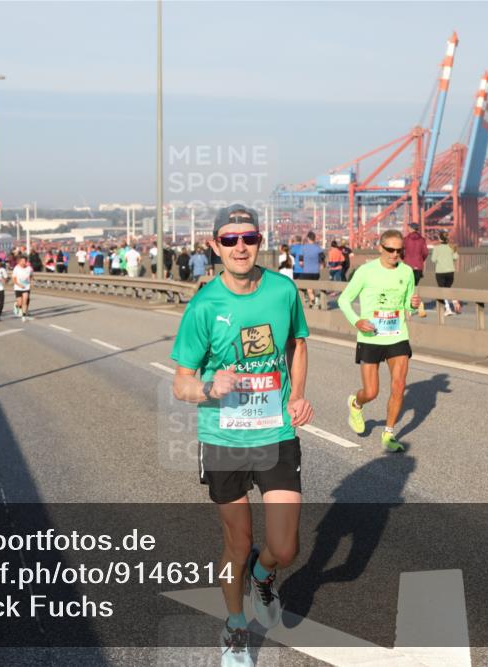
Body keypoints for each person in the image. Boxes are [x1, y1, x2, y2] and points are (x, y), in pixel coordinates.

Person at [170, 204, 313, 667]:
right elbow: (181, 382)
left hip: (275, 431)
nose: (240, 247)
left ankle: (262, 574)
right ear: (215, 246)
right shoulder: (204, 305)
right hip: (224, 437)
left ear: (260, 241)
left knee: (285, 547)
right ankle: (234, 625)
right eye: (229, 240)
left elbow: (297, 345)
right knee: (236, 539)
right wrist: (211, 386)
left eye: (248, 238)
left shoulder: (282, 290)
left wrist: (298, 396)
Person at [337, 229, 421, 452]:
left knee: (399, 385)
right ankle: (356, 403)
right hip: (371, 336)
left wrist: (413, 304)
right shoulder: (366, 271)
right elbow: (344, 300)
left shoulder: (407, 272)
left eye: (399, 250)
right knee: (371, 391)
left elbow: (407, 307)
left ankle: (389, 434)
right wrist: (357, 321)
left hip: (397, 335)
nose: (395, 254)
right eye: (391, 250)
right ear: (380, 248)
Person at [430, 232, 460, 315]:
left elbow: (433, 260)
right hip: (450, 272)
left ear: (439, 239)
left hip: (440, 272)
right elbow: (456, 257)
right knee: (447, 289)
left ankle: (448, 309)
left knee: (442, 291)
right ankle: (454, 301)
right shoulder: (451, 247)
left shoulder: (436, 248)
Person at [12, 254, 34, 321]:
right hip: (18, 288)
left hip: (26, 287)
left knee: (25, 301)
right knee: (20, 303)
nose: (23, 263)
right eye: (22, 261)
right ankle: (16, 305)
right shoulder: (16, 268)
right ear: (19, 261)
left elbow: (31, 276)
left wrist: (31, 281)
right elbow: (14, 279)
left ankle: (24, 315)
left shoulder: (29, 268)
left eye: (25, 261)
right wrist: (19, 285)